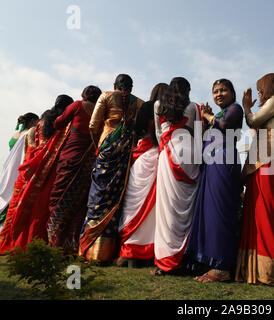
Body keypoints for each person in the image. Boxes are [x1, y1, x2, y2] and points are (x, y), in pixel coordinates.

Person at [78, 74, 144, 263]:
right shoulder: (139, 103)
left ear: (115, 85)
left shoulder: (106, 96)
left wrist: (99, 144)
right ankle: (107, 251)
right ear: (131, 87)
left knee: (97, 196)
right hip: (126, 151)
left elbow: (93, 125)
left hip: (106, 148)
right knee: (117, 199)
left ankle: (89, 249)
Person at [235, 73, 274, 287]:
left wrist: (246, 107)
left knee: (267, 211)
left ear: (271, 88)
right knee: (257, 212)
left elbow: (252, 120)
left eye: (261, 89)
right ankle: (257, 270)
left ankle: (271, 270)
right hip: (263, 157)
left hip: (269, 159)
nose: (258, 93)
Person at [183, 79, 243, 282]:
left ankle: (222, 267)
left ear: (233, 93)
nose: (219, 94)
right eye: (215, 91)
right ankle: (208, 261)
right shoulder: (216, 115)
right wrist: (204, 119)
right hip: (210, 164)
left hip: (224, 161)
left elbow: (225, 125)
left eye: (224, 90)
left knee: (221, 212)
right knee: (209, 214)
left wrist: (208, 116)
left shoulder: (236, 108)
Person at [0, 95, 74, 253]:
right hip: (52, 170)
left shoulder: (41, 122)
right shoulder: (64, 124)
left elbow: (34, 147)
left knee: (26, 206)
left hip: (34, 168)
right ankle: (37, 244)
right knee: (43, 209)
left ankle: (20, 242)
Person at [153, 77, 201, 275]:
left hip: (168, 149)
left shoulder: (158, 105)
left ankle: (167, 260)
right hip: (188, 151)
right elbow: (199, 134)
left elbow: (158, 133)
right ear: (188, 90)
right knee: (188, 207)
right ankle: (187, 258)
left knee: (167, 207)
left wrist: (165, 146)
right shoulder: (194, 106)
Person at [116, 83, 168, 268]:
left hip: (141, 156)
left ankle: (129, 251)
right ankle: (147, 252)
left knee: (132, 203)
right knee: (151, 208)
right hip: (156, 155)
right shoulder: (168, 110)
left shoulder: (145, 107)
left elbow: (136, 129)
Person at [46, 86, 102, 255]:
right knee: (79, 203)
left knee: (58, 198)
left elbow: (58, 123)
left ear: (84, 95)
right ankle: (71, 245)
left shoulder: (77, 105)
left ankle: (54, 244)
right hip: (89, 161)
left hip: (70, 156)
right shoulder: (101, 111)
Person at [0, 113, 39, 232]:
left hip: (9, 166)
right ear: (32, 121)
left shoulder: (15, 135)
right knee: (13, 196)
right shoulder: (30, 133)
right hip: (20, 166)